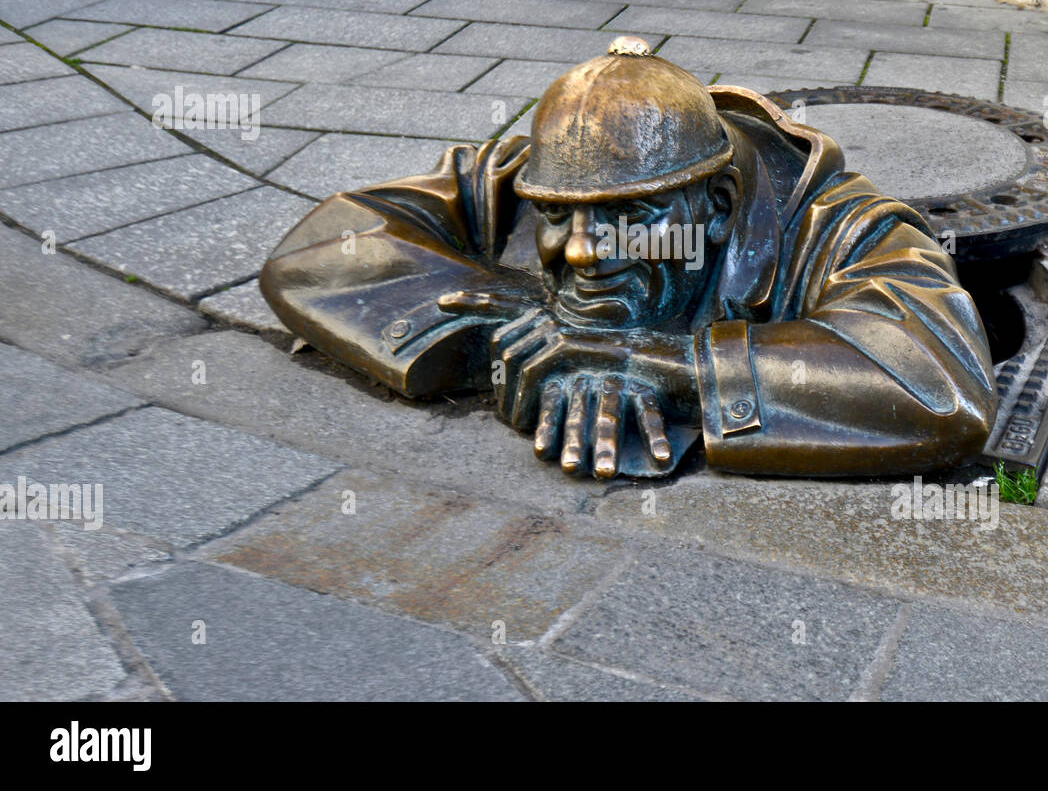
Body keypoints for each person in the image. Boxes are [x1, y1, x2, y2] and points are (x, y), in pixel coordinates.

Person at [261, 37, 996, 480]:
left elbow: (939, 386)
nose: (580, 250)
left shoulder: (841, 225)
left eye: (631, 220)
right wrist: (517, 329)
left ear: (715, 204)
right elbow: (318, 251)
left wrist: (654, 362)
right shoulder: (530, 174)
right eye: (556, 216)